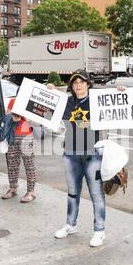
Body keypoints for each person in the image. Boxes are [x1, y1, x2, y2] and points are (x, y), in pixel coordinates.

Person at [47, 70, 126, 247]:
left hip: (93, 155)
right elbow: (50, 108)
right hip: (71, 153)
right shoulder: (67, 102)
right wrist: (50, 91)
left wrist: (121, 92)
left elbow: (116, 104)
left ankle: (100, 230)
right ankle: (70, 224)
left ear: (88, 84)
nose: (78, 85)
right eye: (75, 83)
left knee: (96, 194)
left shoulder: (97, 100)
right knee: (72, 192)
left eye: (82, 82)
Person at [0, 98, 36, 203]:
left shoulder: (31, 102)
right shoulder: (13, 100)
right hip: (12, 136)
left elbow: (31, 120)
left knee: (29, 165)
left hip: (26, 136)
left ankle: (31, 192)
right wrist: (12, 116)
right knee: (12, 164)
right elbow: (7, 115)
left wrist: (22, 116)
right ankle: (13, 188)